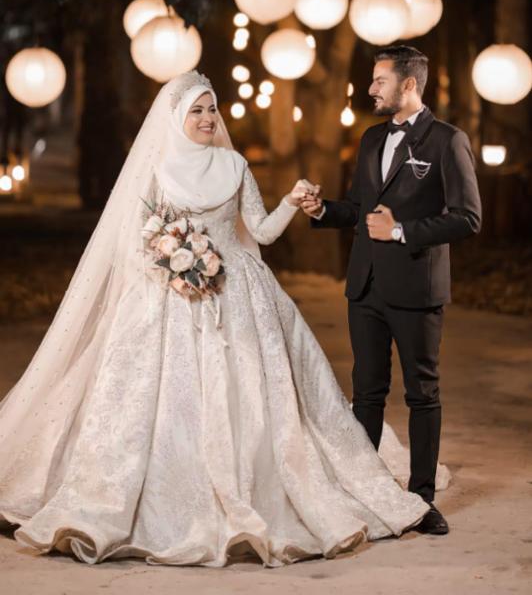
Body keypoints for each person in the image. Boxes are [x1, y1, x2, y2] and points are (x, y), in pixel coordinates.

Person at [0, 69, 432, 567]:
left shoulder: (235, 164)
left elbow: (262, 233)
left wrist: (291, 203)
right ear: (176, 119)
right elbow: (135, 241)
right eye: (197, 111)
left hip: (240, 292)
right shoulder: (157, 170)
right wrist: (171, 262)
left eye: (212, 109)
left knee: (259, 395)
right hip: (167, 298)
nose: (208, 118)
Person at [302, 45, 482, 536]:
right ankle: (367, 494)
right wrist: (323, 210)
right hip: (365, 286)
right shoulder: (370, 138)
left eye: (379, 80)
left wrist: (402, 231)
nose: (371, 88)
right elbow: (361, 209)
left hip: (417, 287)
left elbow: (468, 218)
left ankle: (421, 501)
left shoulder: (447, 141)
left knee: (422, 393)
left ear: (408, 84)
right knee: (366, 393)